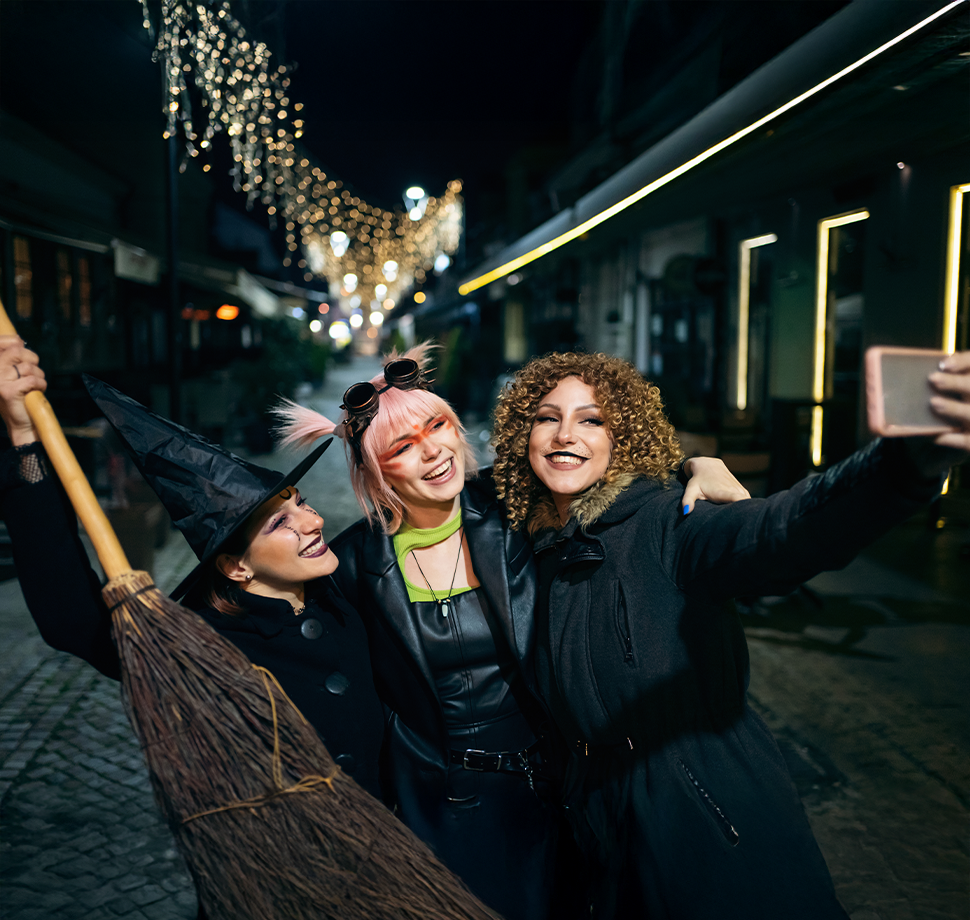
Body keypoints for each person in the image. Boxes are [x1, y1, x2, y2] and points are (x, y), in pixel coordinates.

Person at [274, 342, 751, 920]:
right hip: (442, 804)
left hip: (555, 790)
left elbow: (597, 462)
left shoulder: (511, 506)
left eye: (437, 426)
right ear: (375, 471)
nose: (434, 453)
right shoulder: (351, 564)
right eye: (403, 447)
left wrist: (694, 467)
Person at [487, 349, 970, 920]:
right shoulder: (531, 538)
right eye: (548, 417)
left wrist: (901, 466)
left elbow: (785, 530)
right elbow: (433, 473)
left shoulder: (674, 525)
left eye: (592, 420)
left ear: (625, 439)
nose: (566, 434)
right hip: (596, 820)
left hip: (706, 811)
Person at [0, 335, 385, 802]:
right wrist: (24, 440)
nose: (315, 521)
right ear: (235, 567)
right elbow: (72, 618)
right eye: (282, 522)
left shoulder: (346, 588)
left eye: (302, 503)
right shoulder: (203, 646)